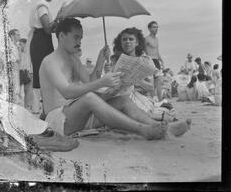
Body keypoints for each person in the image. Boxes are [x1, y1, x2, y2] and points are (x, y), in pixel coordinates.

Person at [39, 19, 191, 140]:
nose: (79, 42)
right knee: (90, 97)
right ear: (61, 36)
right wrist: (101, 82)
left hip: (76, 114)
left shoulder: (73, 59)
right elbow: (66, 92)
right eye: (76, 37)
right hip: (58, 120)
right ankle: (144, 130)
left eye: (81, 38)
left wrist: (100, 60)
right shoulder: (50, 61)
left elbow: (89, 81)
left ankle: (163, 128)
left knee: (123, 100)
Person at [28, 0, 57, 113]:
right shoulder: (42, 6)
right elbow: (47, 27)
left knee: (45, 75)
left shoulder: (39, 4)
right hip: (41, 41)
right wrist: (60, 16)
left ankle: (46, 111)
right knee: (45, 75)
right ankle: (46, 112)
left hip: (40, 40)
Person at [145, 21, 164, 101]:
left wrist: (162, 60)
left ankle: (160, 100)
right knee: (151, 81)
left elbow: (157, 50)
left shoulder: (156, 39)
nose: (156, 29)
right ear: (149, 29)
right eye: (154, 27)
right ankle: (153, 99)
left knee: (159, 81)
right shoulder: (146, 39)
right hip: (149, 60)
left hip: (156, 61)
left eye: (157, 27)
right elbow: (143, 51)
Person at [19, 38, 35, 111]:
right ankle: (19, 106)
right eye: (20, 44)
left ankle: (27, 106)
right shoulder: (17, 52)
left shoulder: (28, 53)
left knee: (27, 90)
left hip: (26, 72)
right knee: (18, 90)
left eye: (21, 44)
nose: (21, 46)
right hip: (19, 72)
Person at [8, 29, 21, 105]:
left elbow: (19, 60)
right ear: (12, 36)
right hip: (11, 66)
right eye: (17, 35)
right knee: (13, 86)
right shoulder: (9, 45)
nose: (19, 36)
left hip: (16, 66)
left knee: (16, 86)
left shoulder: (16, 46)